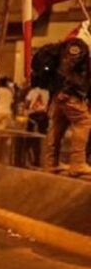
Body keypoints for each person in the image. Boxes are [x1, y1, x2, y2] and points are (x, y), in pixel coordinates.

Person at [44, 38, 91, 176]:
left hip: (63, 93)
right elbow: (66, 67)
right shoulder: (78, 45)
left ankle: (51, 163)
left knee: (58, 126)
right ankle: (77, 163)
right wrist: (66, 89)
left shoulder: (75, 45)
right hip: (69, 93)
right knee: (84, 122)